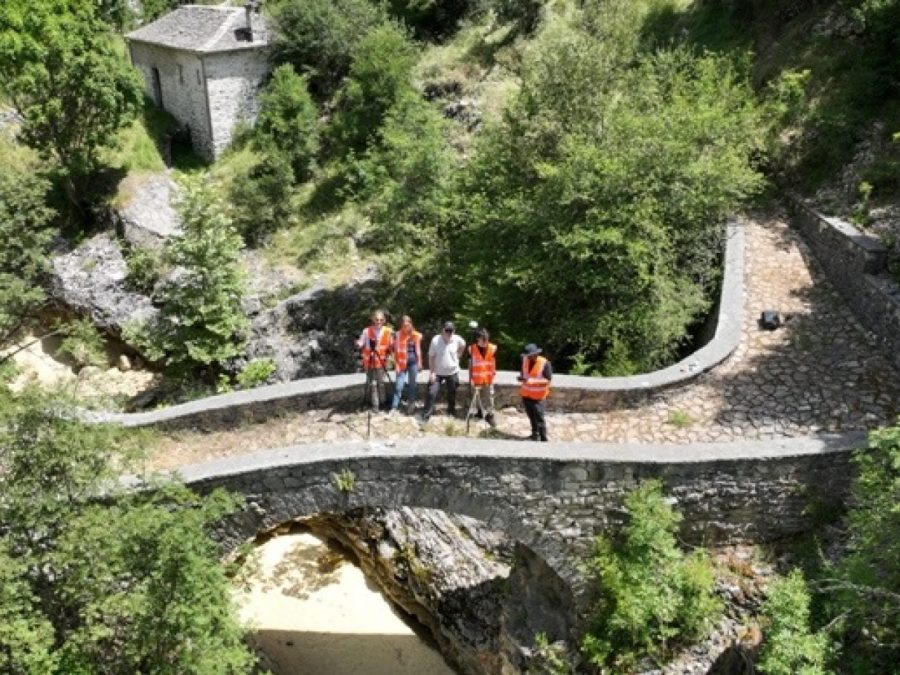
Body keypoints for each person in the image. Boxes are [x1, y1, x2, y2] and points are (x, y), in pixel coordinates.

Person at [422, 321, 466, 421]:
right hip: (437, 372)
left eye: (451, 331)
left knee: (452, 391)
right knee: (432, 392)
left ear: (454, 331)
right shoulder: (435, 340)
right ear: (443, 330)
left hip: (452, 371)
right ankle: (426, 415)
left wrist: (459, 354)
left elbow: (463, 345)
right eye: (447, 330)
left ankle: (451, 411)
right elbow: (431, 357)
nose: (449, 333)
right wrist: (432, 373)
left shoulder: (457, 339)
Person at [356, 309, 393, 411]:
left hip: (382, 362)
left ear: (384, 320)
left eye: (381, 320)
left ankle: (383, 402)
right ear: (373, 319)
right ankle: (375, 405)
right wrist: (358, 343)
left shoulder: (388, 331)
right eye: (377, 319)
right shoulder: (366, 331)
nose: (379, 322)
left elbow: (391, 345)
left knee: (381, 384)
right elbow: (361, 343)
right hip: (370, 362)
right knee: (373, 384)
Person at [519, 343, 552, 441]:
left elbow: (548, 380)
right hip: (526, 395)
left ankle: (543, 438)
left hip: (538, 397)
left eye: (529, 356)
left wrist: (534, 382)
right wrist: (522, 378)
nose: (527, 358)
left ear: (535, 354)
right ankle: (535, 435)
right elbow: (524, 373)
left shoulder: (545, 363)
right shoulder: (525, 360)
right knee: (531, 417)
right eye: (526, 356)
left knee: (540, 419)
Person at [391, 314, 422, 414]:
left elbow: (417, 350)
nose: (406, 327)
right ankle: (395, 407)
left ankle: (411, 405)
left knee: (412, 384)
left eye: (408, 325)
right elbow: (395, 352)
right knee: (399, 385)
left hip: (413, 362)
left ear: (411, 324)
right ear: (401, 325)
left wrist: (420, 362)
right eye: (404, 325)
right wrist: (396, 365)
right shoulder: (397, 335)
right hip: (401, 363)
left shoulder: (415, 335)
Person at [467, 327, 497, 428]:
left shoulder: (493, 348)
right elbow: (470, 365)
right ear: (478, 339)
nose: (485, 342)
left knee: (489, 398)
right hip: (476, 378)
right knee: (476, 396)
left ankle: (490, 415)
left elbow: (493, 363)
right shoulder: (471, 349)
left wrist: (493, 374)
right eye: (483, 339)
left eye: (486, 339)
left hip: (488, 378)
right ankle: (479, 412)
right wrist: (470, 378)